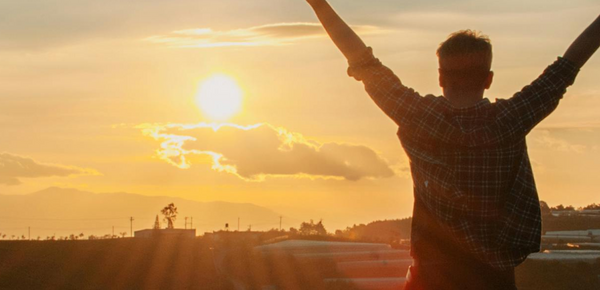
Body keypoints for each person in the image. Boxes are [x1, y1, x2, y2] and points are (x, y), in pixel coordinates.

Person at [304, 0, 600, 289]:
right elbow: (567, 67)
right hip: (494, 278)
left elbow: (363, 61)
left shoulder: (419, 118)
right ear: (488, 79)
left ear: (441, 76)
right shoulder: (510, 119)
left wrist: (318, 4)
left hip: (430, 277)